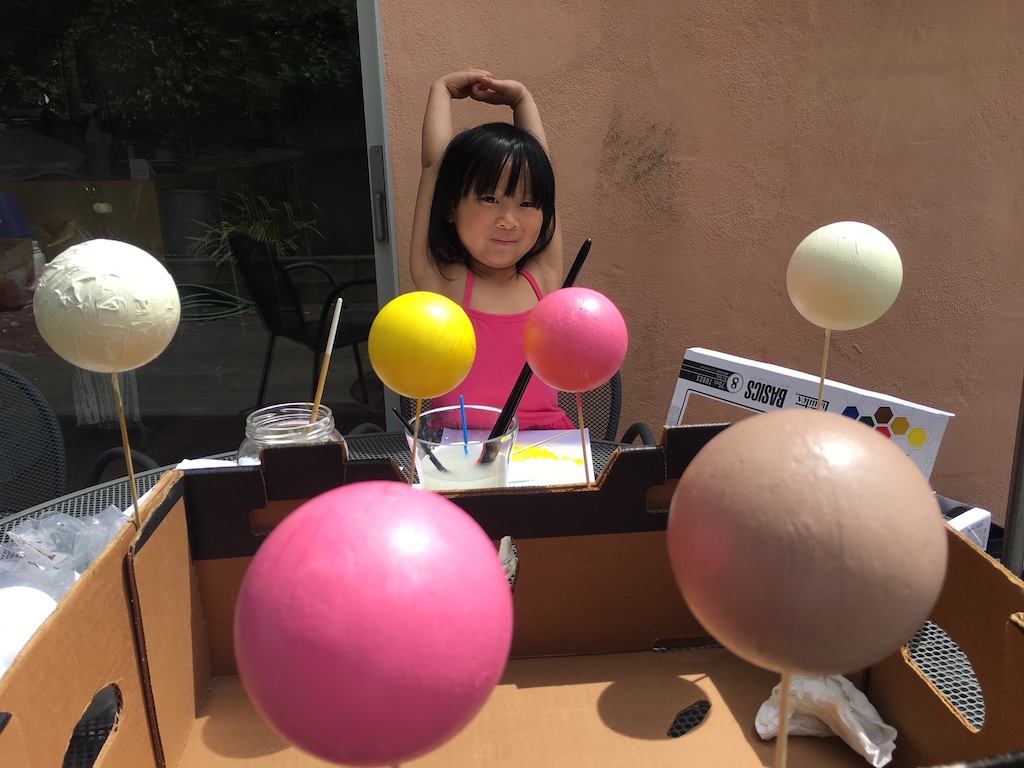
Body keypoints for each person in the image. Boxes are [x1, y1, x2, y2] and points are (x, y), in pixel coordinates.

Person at [409, 69, 574, 430]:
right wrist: (439, 90)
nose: (509, 219)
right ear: (450, 206)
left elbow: (543, 170)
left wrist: (522, 99)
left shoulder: (542, 280)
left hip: (546, 452)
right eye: (490, 198)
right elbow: (435, 166)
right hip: (461, 453)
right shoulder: (445, 284)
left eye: (527, 204)